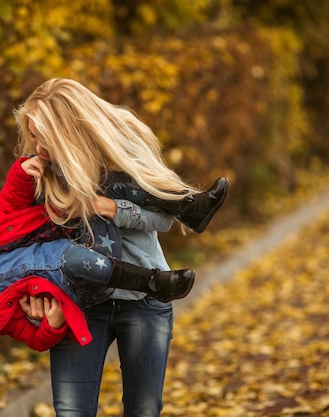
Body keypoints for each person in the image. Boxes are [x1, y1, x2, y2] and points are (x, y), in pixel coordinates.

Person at [0, 154, 224, 400]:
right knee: (70, 259)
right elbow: (35, 339)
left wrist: (21, 172)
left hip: (86, 237)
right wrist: (52, 324)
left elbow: (8, 203)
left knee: (107, 189)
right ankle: (154, 282)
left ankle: (188, 205)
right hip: (83, 284)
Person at [13, 78, 229, 417]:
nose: (37, 146)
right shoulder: (41, 170)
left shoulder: (125, 144)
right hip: (80, 303)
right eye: (34, 136)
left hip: (143, 300)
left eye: (44, 137)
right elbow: (28, 241)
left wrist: (106, 208)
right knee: (71, 412)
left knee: (143, 410)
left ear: (68, 129)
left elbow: (163, 220)